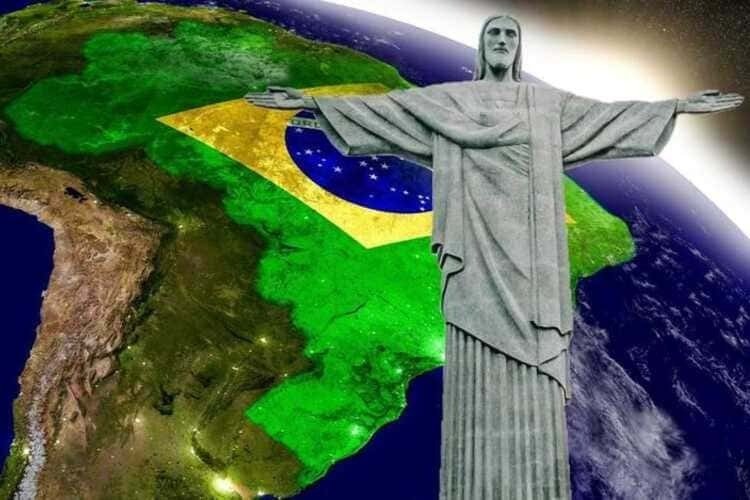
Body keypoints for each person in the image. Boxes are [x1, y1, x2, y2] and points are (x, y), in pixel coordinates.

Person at [245, 14, 743, 500]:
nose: (502, 39)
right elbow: (388, 111)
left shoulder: (546, 104)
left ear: (517, 47)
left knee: (534, 364)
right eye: (494, 33)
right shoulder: (451, 100)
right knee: (475, 357)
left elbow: (608, 115)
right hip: (474, 246)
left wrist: (676, 107)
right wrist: (307, 100)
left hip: (533, 252)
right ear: (483, 46)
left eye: (510, 33)